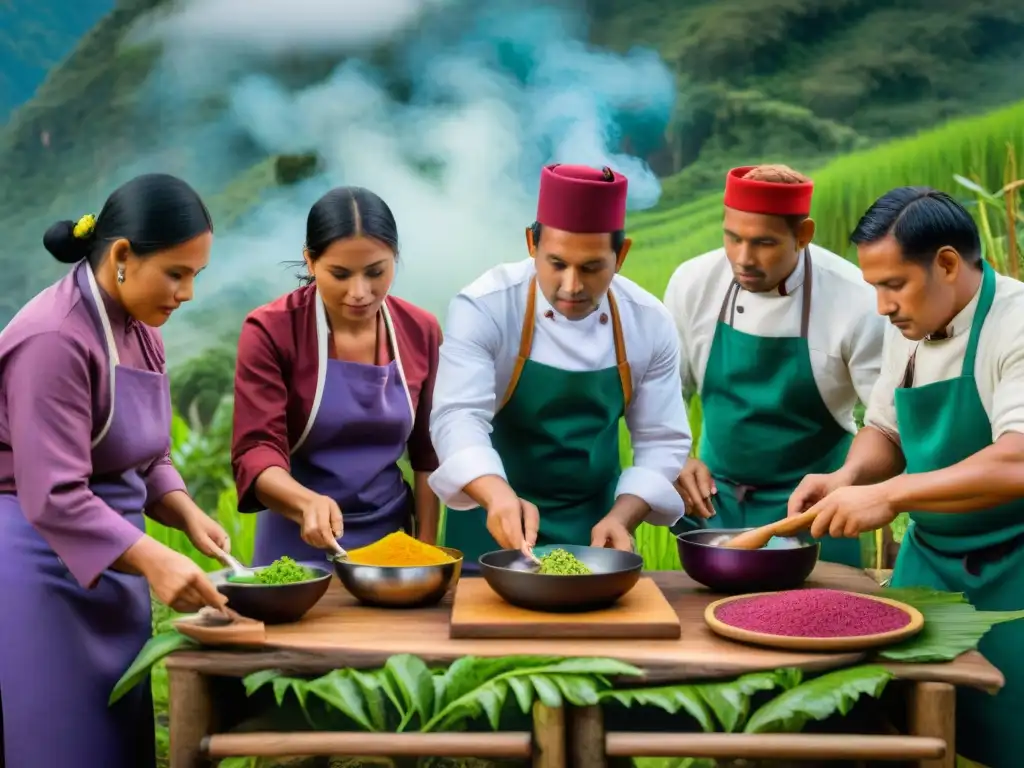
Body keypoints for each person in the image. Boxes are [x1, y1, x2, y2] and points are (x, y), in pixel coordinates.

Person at [788, 186, 1024, 767]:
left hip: (1013, 574)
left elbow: (1017, 459)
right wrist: (848, 476)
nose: (882, 307)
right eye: (874, 288)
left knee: (1005, 731)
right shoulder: (910, 329)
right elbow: (887, 431)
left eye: (893, 285)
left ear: (946, 263)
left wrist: (889, 495)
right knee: (909, 728)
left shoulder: (1014, 323)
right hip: (928, 566)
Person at [0, 173, 230, 768]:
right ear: (123, 256)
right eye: (176, 274)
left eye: (195, 276)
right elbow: (52, 495)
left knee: (119, 744)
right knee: (60, 742)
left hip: (116, 566)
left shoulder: (140, 327)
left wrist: (185, 513)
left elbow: (147, 452)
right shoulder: (52, 339)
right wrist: (153, 558)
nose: (187, 294)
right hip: (41, 565)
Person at [429, 163, 692, 572]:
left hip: (595, 528)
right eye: (556, 264)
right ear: (532, 244)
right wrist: (496, 494)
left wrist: (623, 517)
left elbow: (661, 440)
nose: (571, 286)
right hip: (493, 517)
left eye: (591, 267)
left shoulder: (648, 322)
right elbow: (458, 417)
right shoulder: (486, 306)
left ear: (621, 255)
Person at [664, 164, 885, 566]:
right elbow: (666, 388)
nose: (743, 258)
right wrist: (676, 456)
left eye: (764, 243)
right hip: (713, 508)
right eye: (732, 238)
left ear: (803, 235)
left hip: (815, 511)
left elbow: (887, 422)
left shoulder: (856, 301)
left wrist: (849, 481)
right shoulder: (693, 282)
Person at [231, 186, 442, 565]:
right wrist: (305, 503)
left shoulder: (420, 330)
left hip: (391, 545)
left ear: (395, 258)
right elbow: (256, 449)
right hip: (296, 542)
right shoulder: (270, 331)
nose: (360, 292)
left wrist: (426, 552)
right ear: (310, 262)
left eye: (376, 272)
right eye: (340, 274)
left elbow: (428, 454)